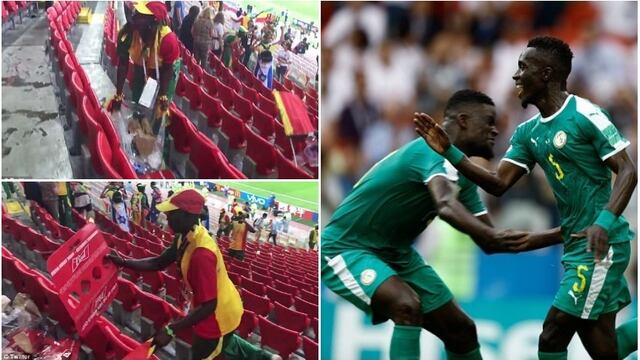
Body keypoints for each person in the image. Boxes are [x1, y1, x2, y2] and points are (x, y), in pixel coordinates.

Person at [414, 37, 637, 360]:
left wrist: (603, 224)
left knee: (552, 335)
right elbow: (497, 183)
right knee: (606, 349)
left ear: (546, 74)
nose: (516, 76)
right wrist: (450, 149)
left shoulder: (585, 114)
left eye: (523, 67)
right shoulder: (527, 132)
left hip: (601, 245)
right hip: (576, 245)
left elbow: (628, 171)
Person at [322, 89, 565, 360]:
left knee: (461, 330)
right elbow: (446, 206)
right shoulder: (430, 153)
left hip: (396, 254)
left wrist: (565, 234)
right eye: (488, 122)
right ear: (463, 120)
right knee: (406, 306)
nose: (495, 131)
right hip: (345, 248)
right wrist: (489, 234)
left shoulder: (463, 176)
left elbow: (491, 241)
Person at [106, 189, 281, 360]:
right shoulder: (185, 235)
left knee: (203, 352)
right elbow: (158, 262)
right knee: (224, 342)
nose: (166, 216)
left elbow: (209, 306)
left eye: (171, 213)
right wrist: (123, 262)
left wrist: (171, 329)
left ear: (188, 216)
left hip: (218, 315)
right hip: (212, 305)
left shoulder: (201, 254)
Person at [110, 1, 181, 135]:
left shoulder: (168, 39)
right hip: (141, 67)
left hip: (163, 71)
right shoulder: (128, 34)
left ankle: (152, 139)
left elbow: (167, 69)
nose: (134, 15)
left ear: (153, 21)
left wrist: (162, 96)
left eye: (140, 15)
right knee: (138, 101)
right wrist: (118, 95)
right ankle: (137, 134)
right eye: (136, 12)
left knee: (158, 110)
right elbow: (123, 65)